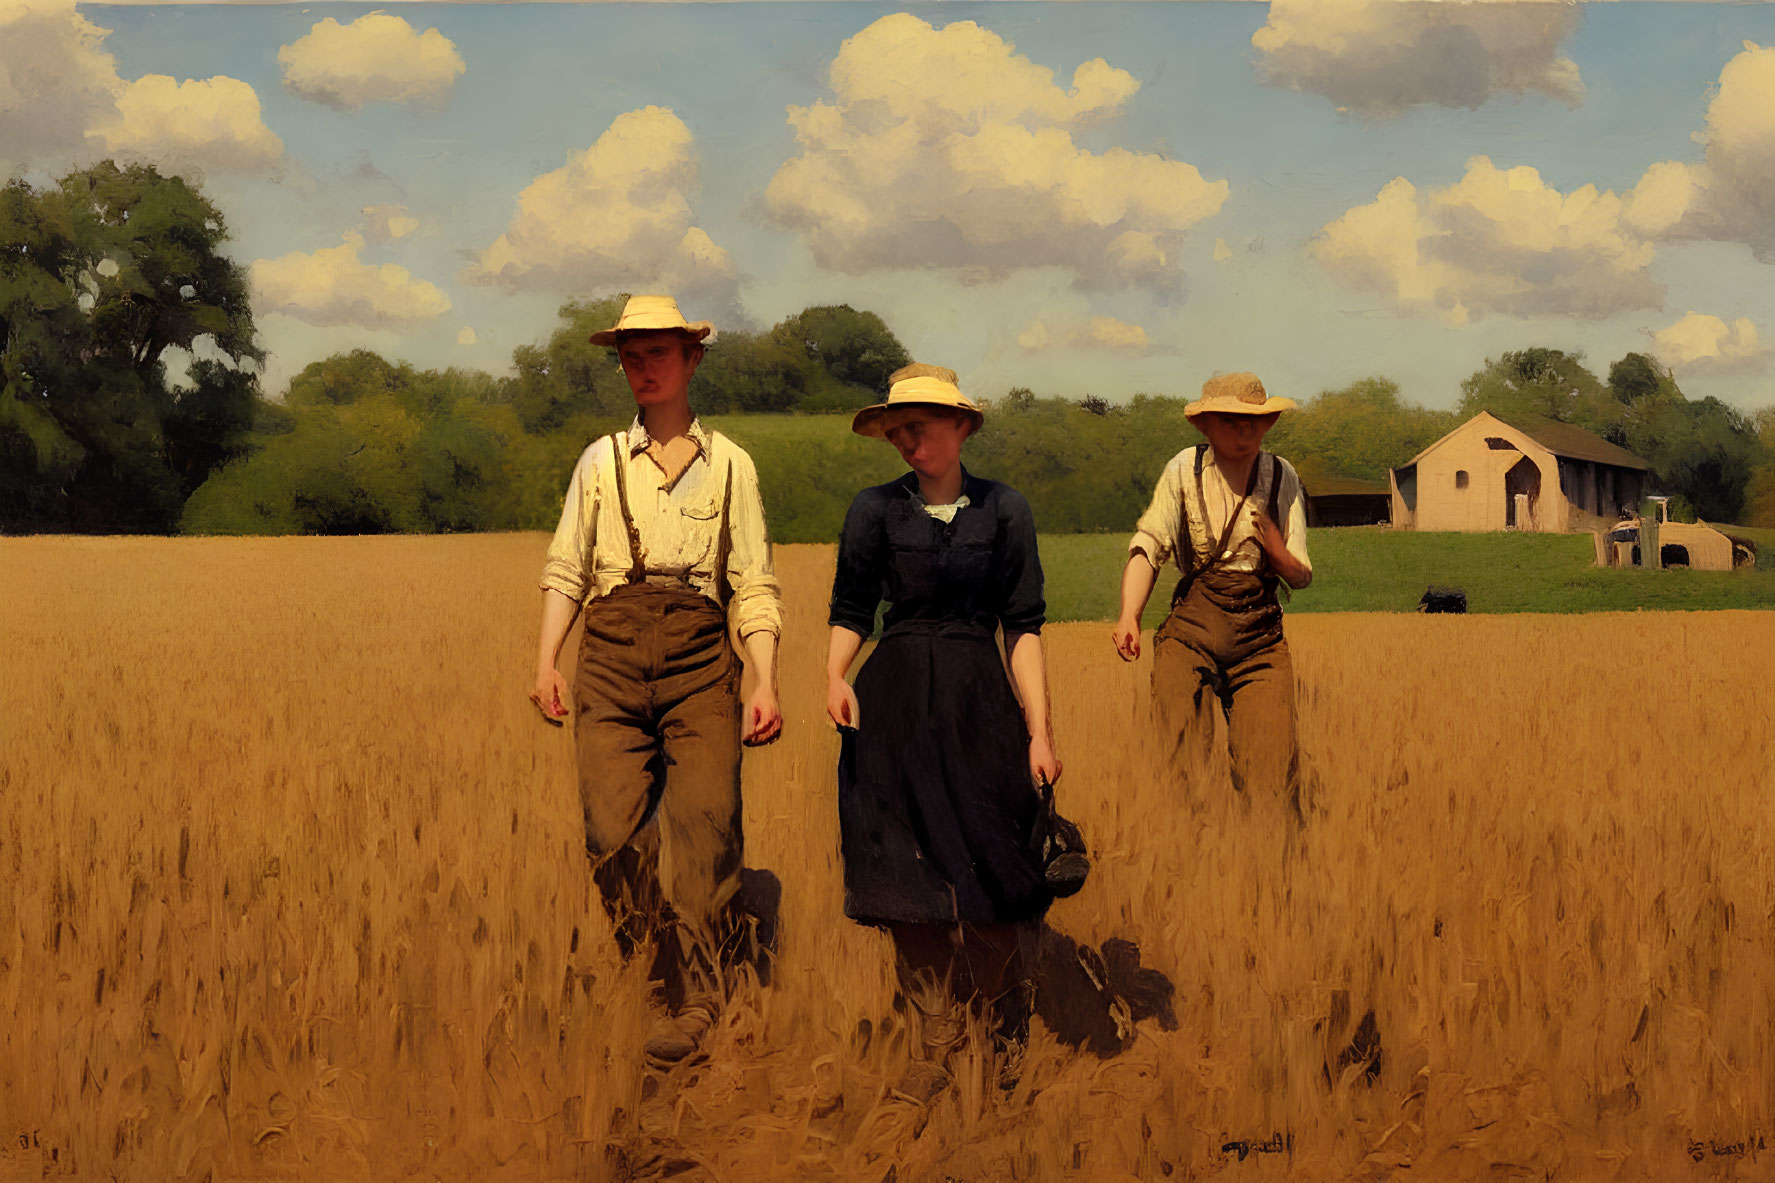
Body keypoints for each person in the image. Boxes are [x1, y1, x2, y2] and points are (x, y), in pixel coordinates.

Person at [531, 294, 783, 1065]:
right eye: (631, 357)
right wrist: (545, 657)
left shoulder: (732, 464)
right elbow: (567, 565)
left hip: (701, 655)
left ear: (692, 360)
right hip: (607, 653)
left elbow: (754, 580)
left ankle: (699, 995)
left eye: (658, 355)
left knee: (705, 831)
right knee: (609, 837)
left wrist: (764, 678)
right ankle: (653, 967)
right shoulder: (599, 460)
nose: (643, 370)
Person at [825, 363, 1064, 1097]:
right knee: (902, 876)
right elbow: (851, 608)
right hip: (890, 709)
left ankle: (1002, 1019)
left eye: (920, 423)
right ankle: (935, 1034)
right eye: (897, 427)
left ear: (961, 427)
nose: (906, 438)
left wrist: (1039, 731)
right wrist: (833, 674)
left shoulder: (1004, 510)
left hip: (979, 709)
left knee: (992, 866)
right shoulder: (873, 511)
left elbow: (1022, 627)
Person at [1110, 371, 1312, 815]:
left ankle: (1266, 869)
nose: (1245, 431)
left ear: (1269, 423)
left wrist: (1277, 552)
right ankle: (1189, 851)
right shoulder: (1183, 469)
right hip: (1193, 630)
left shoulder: (1282, 476)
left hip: (1259, 639)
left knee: (1270, 776)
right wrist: (1130, 615)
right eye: (1231, 421)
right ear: (1205, 426)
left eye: (1254, 422)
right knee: (1179, 755)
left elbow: (1301, 576)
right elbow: (1150, 545)